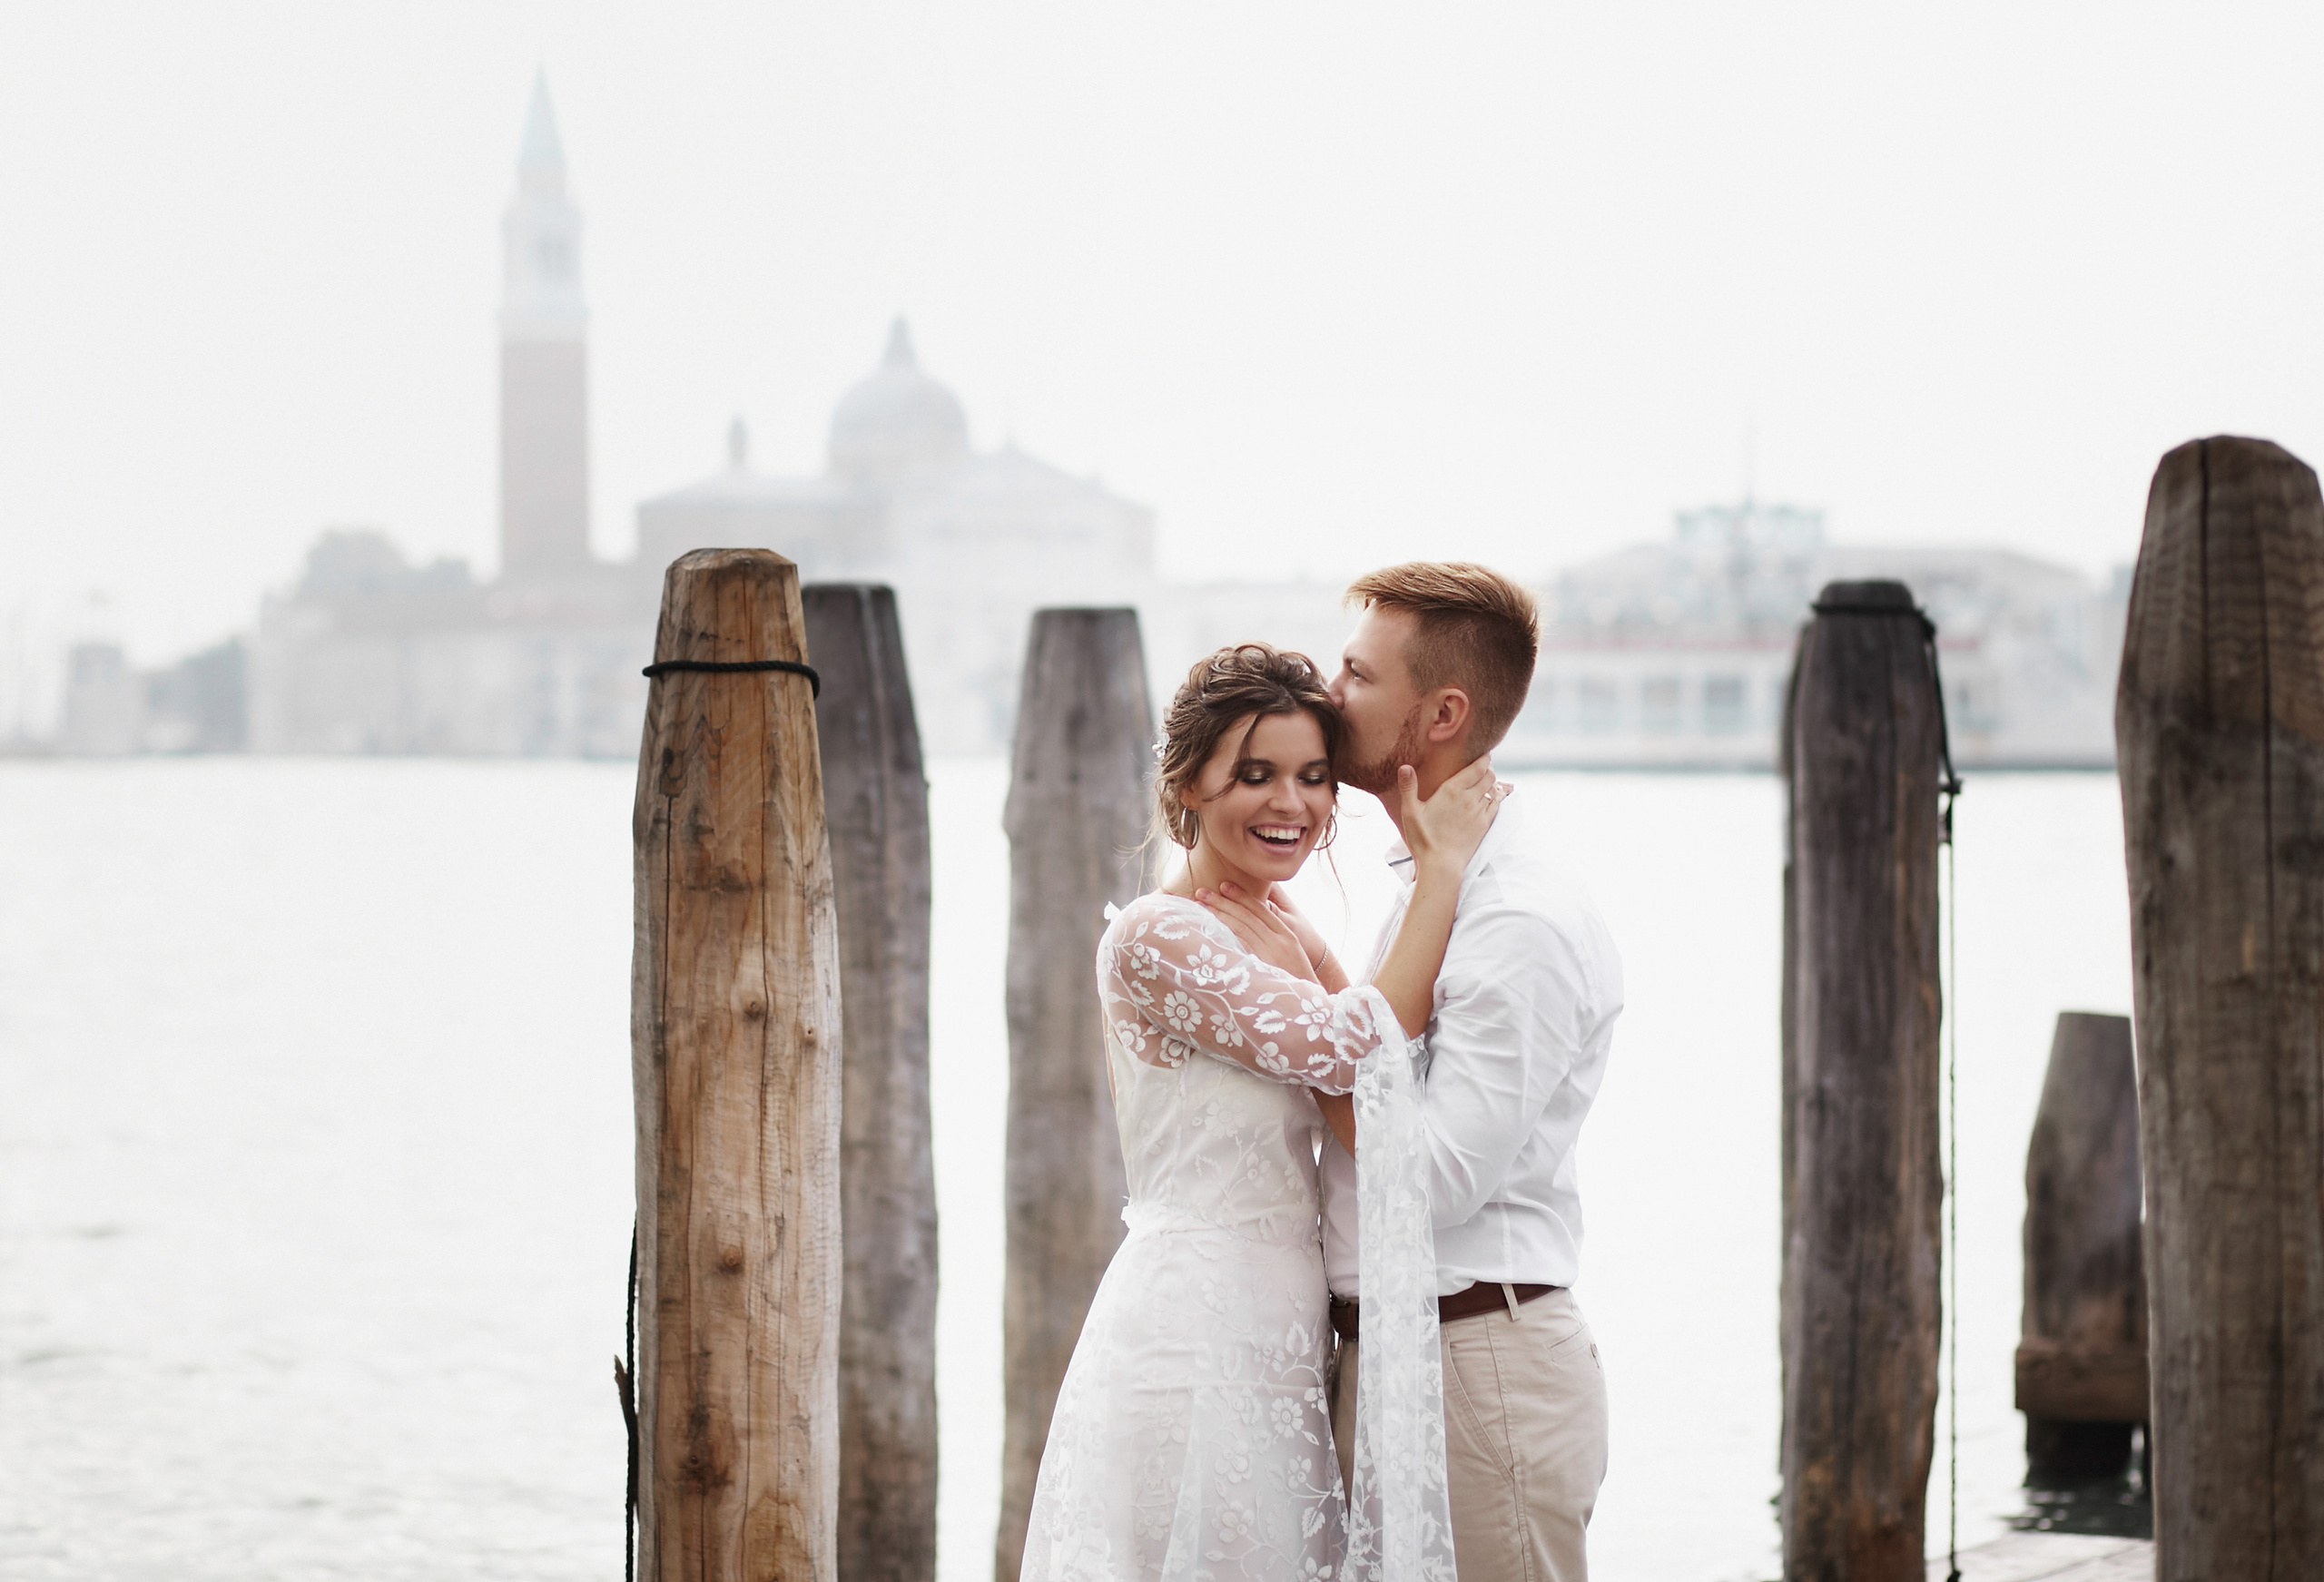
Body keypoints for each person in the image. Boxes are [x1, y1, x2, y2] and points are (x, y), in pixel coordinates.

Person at [1017, 641, 1499, 1582]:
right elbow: (1347, 1042)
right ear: (1188, 783)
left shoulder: (1279, 924)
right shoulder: (1158, 933)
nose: (1291, 804)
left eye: (1314, 778)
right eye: (1256, 774)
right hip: (1193, 1332)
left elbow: (1367, 1088)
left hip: (1279, 1333)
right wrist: (1440, 872)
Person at [1319, 561, 1622, 1582]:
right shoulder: (1431, 886)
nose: (1329, 693)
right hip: (1404, 1356)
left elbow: (1439, 1180)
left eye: (1358, 675)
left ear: (1440, 713)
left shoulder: (1515, 918)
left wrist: (1313, 1063)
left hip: (1476, 1362)